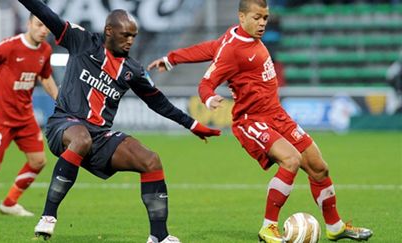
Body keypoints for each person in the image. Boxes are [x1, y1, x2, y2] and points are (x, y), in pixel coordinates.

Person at [147, 0, 373, 242]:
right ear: (241, 17)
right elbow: (206, 82)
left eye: (265, 17)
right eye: (257, 17)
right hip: (251, 121)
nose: (263, 23)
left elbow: (210, 47)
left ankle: (335, 226)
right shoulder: (233, 49)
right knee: (291, 160)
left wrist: (171, 59)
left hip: (277, 115)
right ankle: (268, 227)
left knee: (319, 167)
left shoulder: (237, 39)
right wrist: (209, 96)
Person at [18, 0, 221, 242]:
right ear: (109, 31)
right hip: (63, 125)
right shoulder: (81, 41)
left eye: (133, 36)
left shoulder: (132, 70)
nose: (130, 41)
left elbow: (158, 102)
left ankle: (159, 236)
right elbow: (44, 12)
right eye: (125, 35)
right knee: (81, 137)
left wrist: (192, 125)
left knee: (151, 160)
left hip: (99, 137)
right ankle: (48, 216)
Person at [0, 14, 58, 216]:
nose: (44, 30)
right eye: (39, 24)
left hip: (25, 117)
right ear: (29, 24)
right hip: (1, 117)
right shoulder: (10, 46)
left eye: (47, 26)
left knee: (38, 161)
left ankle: (9, 203)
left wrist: (60, 101)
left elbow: (45, 79)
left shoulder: (45, 50)